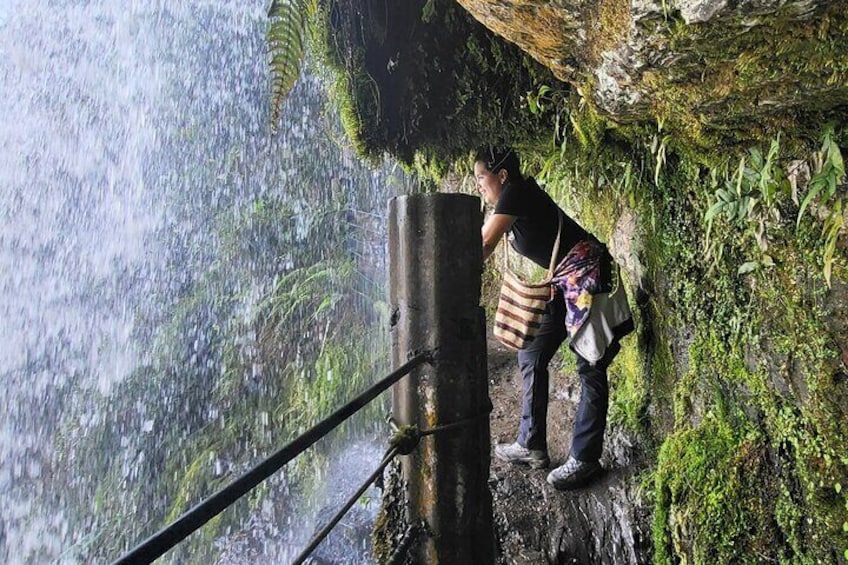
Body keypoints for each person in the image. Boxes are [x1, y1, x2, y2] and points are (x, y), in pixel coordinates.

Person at [475, 146, 634, 490]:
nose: (479, 186)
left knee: (591, 365)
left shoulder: (516, 192)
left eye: (481, 178)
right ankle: (531, 443)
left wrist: (445, 264)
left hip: (588, 274)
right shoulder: (510, 200)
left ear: (501, 176)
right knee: (532, 351)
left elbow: (484, 244)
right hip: (564, 281)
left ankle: (584, 459)